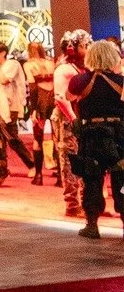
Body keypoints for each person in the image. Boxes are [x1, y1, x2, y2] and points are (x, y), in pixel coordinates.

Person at [68, 40, 124, 240]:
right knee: (122, 179)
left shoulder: (79, 81)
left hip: (91, 136)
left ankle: (92, 224)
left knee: (92, 179)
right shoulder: (121, 82)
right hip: (119, 137)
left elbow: (70, 96)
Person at [53, 31, 90, 218]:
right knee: (69, 160)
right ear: (72, 48)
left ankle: (85, 201)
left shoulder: (77, 68)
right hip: (67, 118)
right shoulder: (64, 69)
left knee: (81, 158)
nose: (87, 48)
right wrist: (73, 118)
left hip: (76, 117)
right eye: (84, 45)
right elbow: (60, 97)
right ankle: (73, 204)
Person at [0, 40, 30, 186]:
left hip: (11, 107)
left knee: (12, 138)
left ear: (3, 52)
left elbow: (4, 80)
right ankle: (2, 169)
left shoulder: (12, 64)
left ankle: (31, 164)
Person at [23, 42, 56, 185]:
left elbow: (33, 88)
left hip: (40, 102)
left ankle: (38, 175)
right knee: (57, 137)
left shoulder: (28, 65)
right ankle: (61, 177)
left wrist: (33, 109)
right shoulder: (51, 63)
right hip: (53, 99)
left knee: (38, 139)